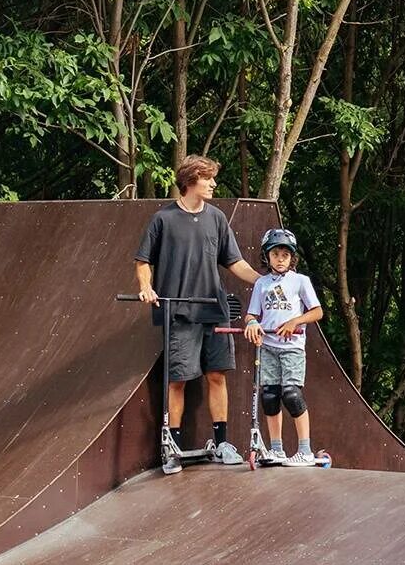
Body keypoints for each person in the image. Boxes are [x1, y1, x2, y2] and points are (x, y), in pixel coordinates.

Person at [133, 155, 261, 467]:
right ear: (191, 181)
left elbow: (234, 261)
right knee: (178, 380)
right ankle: (172, 449)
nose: (214, 184)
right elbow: (142, 260)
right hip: (179, 313)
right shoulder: (163, 219)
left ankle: (222, 444)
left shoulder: (216, 218)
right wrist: (147, 287)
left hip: (213, 310)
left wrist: (264, 282)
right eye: (208, 179)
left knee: (217, 375)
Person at [244, 228, 326, 465]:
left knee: (291, 394)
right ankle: (277, 449)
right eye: (275, 254)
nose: (280, 259)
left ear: (292, 258)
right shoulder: (261, 284)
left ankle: (305, 451)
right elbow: (251, 314)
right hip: (268, 346)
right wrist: (251, 324)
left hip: (292, 348)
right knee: (270, 396)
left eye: (285, 255)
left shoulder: (300, 281)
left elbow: (317, 311)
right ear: (267, 256)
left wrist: (295, 321)